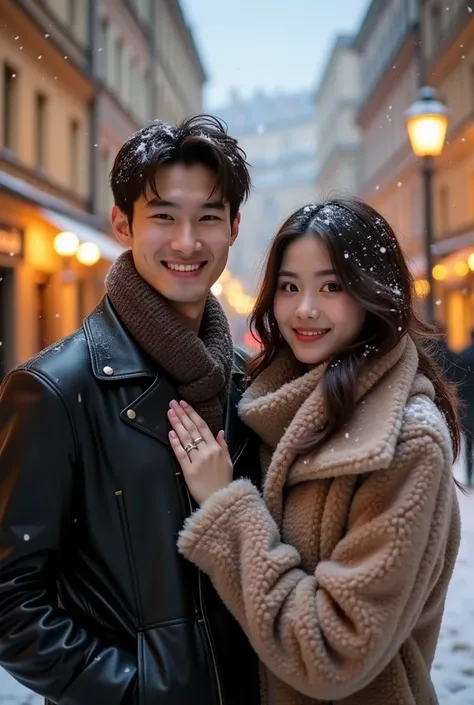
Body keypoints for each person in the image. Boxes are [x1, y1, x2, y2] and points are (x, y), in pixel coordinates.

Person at [0, 115, 261, 705]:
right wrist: (134, 690)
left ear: (234, 228)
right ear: (123, 223)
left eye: (209, 218)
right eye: (163, 216)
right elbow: (11, 599)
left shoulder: (249, 385)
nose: (187, 242)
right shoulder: (54, 388)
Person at [168, 197, 462, 705]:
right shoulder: (275, 405)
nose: (304, 308)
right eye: (289, 287)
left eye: (332, 286)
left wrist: (226, 511)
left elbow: (332, 651)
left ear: (375, 295)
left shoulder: (406, 441)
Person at [456, 329, 474, 486]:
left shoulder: (464, 355)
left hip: (468, 403)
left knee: (469, 442)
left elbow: (458, 380)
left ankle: (469, 476)